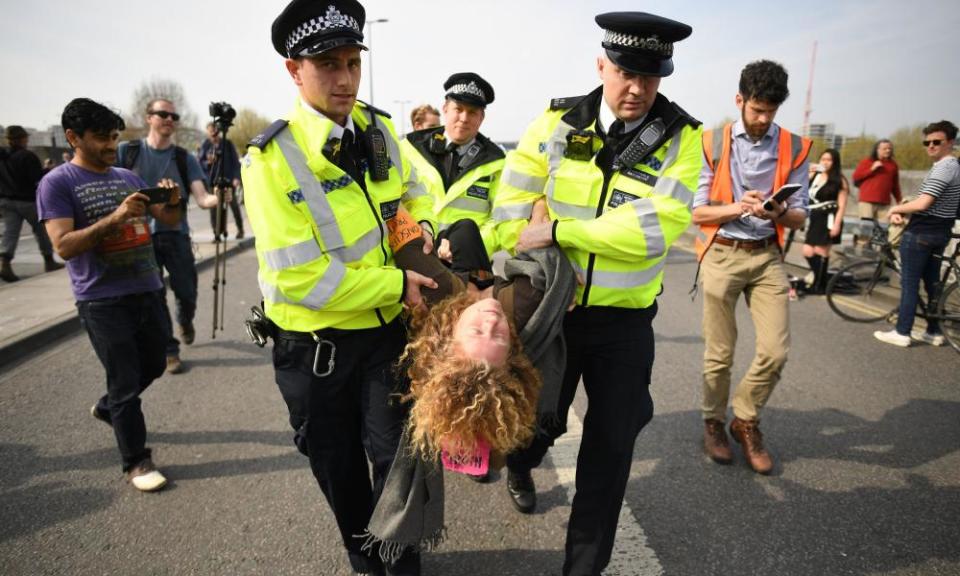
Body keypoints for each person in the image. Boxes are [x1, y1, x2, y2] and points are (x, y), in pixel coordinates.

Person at [491, 12, 701, 575]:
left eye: (650, 77)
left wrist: (560, 229)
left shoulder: (682, 137)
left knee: (610, 454)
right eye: (626, 72)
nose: (636, 89)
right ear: (601, 64)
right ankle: (521, 461)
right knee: (541, 423)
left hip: (623, 325)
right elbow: (512, 204)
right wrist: (510, 255)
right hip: (551, 313)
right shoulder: (556, 121)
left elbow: (658, 227)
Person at [241, 0, 438, 573]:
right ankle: (364, 559)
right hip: (315, 352)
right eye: (328, 64)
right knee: (339, 469)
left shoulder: (378, 128)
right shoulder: (271, 158)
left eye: (353, 62)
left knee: (397, 459)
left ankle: (399, 560)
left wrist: (418, 229)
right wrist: (397, 282)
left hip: (384, 341)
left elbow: (416, 191)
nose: (346, 79)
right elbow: (298, 278)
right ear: (293, 70)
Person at [36, 97, 183, 492]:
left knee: (153, 364)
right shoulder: (57, 183)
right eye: (101, 137)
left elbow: (168, 219)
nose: (110, 145)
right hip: (101, 300)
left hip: (148, 289)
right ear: (73, 137)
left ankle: (107, 408)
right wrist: (116, 217)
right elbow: (63, 246)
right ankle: (136, 461)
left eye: (114, 136)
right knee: (123, 381)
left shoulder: (127, 177)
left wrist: (173, 200)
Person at [692, 60, 811, 475]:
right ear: (739, 100)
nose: (763, 119)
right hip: (722, 253)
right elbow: (697, 212)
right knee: (719, 354)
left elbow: (800, 216)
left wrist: (778, 211)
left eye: (771, 112)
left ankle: (745, 417)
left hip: (766, 256)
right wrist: (735, 207)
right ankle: (712, 423)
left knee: (776, 351)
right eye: (757, 110)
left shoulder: (795, 147)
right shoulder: (710, 142)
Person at [117, 98, 223, 374]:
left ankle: (185, 320)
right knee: (155, 296)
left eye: (174, 116)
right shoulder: (127, 153)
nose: (169, 120)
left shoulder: (183, 157)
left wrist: (219, 197)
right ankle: (170, 350)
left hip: (176, 236)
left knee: (187, 293)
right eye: (163, 114)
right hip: (138, 240)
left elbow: (202, 198)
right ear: (148, 117)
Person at [874, 120, 960, 348]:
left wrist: (896, 208)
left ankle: (902, 332)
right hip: (939, 232)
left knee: (910, 284)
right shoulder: (953, 166)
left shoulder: (944, 167)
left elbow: (923, 203)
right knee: (931, 283)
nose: (930, 146)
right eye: (927, 142)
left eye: (936, 142)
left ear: (950, 142)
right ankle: (934, 332)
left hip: (922, 233)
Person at [401, 73, 504, 262]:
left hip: (468, 261)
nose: (464, 118)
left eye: (472, 112)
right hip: (416, 255)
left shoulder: (497, 162)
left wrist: (465, 246)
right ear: (445, 109)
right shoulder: (410, 148)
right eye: (458, 109)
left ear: (481, 118)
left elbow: (500, 221)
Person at [0, 125, 64, 282]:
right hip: (28, 200)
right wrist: (48, 170)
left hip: (7, 201)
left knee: (10, 233)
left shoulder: (2, 157)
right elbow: (37, 180)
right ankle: (49, 261)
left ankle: (4, 263)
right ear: (23, 139)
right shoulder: (27, 156)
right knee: (42, 230)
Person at [802, 148, 849, 293]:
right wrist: (809, 173)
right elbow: (803, 191)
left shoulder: (839, 180)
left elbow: (842, 205)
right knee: (808, 251)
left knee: (821, 251)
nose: (825, 162)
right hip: (814, 217)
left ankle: (819, 286)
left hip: (829, 218)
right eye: (823, 159)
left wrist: (836, 225)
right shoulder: (815, 176)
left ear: (834, 162)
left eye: (829, 160)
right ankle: (821, 281)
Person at [198, 121, 244, 239]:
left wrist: (236, 177)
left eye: (215, 130)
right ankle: (217, 233)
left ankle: (240, 229)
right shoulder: (206, 145)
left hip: (228, 180)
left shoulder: (227, 144)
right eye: (210, 130)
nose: (213, 133)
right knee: (214, 208)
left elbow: (235, 162)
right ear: (207, 132)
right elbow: (200, 163)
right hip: (213, 181)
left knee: (233, 205)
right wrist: (208, 162)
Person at [852, 139, 901, 244]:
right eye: (884, 149)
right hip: (866, 202)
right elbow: (856, 177)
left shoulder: (893, 165)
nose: (888, 151)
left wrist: (899, 201)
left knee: (883, 231)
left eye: (889, 149)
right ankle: (860, 251)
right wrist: (871, 169)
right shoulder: (867, 161)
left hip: (884, 204)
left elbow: (895, 185)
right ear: (877, 149)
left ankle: (879, 256)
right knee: (865, 230)